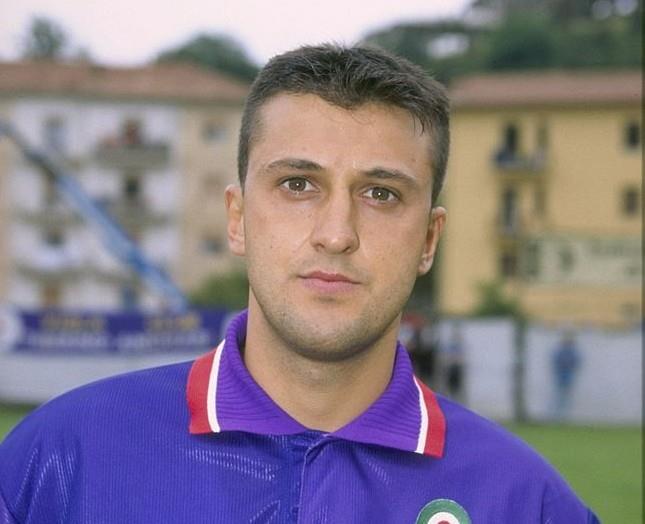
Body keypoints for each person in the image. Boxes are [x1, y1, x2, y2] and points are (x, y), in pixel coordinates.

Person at [0, 44, 598, 523]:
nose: (336, 234)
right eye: (297, 185)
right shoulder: (60, 460)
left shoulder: (525, 501)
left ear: (428, 240)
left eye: (381, 193)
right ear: (237, 218)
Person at [551, 331, 582, 421]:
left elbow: (575, 363)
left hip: (567, 375)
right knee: (560, 396)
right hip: (562, 375)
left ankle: (563, 415)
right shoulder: (563, 351)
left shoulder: (570, 352)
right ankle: (558, 415)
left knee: (564, 396)